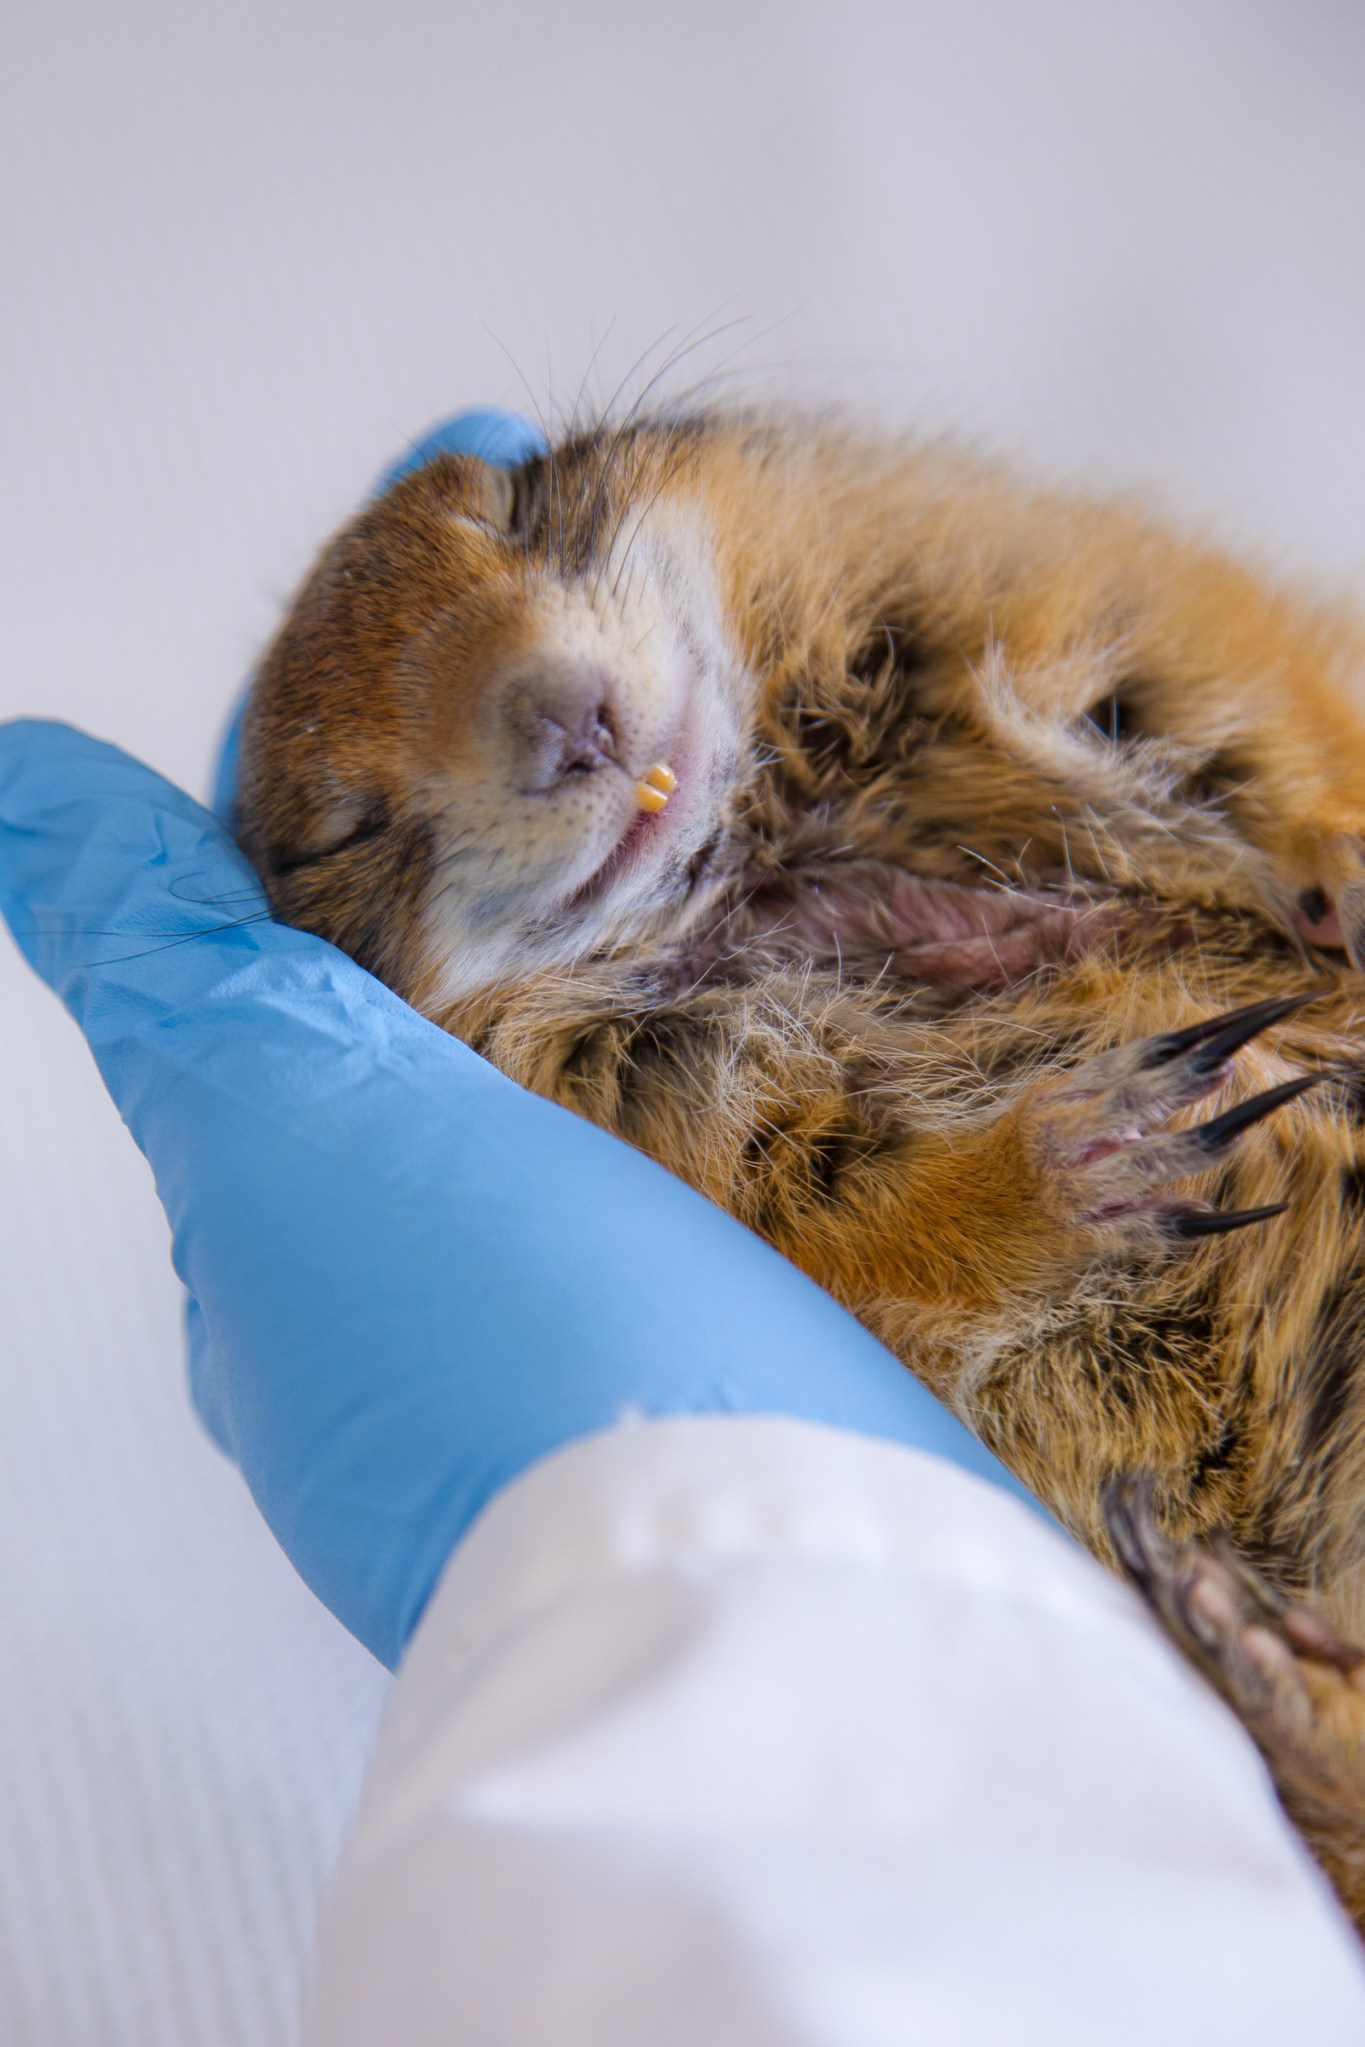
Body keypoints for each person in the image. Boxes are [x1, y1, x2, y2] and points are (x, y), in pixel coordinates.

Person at [2, 416, 1362, 2045]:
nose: (548, 696)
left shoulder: (864, 576)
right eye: (358, 833)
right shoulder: (608, 1109)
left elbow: (1196, 647)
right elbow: (891, 1295)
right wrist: (991, 1208)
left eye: (522, 521)